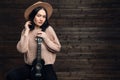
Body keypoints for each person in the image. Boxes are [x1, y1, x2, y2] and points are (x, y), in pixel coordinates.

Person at [6, 1, 61, 80]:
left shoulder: (48, 29)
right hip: (30, 66)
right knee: (11, 75)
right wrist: (26, 32)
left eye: (44, 16)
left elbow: (57, 48)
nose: (41, 19)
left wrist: (46, 39)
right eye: (39, 16)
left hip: (46, 67)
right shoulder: (26, 31)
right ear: (33, 16)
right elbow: (22, 49)